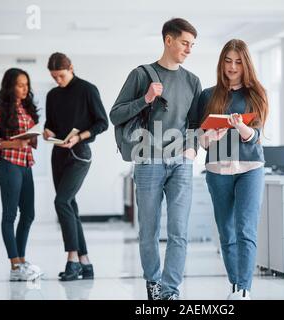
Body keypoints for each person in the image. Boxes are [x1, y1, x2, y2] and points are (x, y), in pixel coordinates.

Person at [110, 18, 202, 300]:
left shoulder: (192, 81)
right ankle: (153, 283)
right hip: (148, 160)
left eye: (192, 45)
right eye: (185, 43)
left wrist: (192, 149)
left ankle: (170, 290)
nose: (189, 49)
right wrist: (146, 99)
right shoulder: (141, 75)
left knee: (178, 231)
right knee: (148, 230)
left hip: (181, 163)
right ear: (169, 40)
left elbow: (196, 124)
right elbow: (115, 115)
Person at [197, 39, 269, 300]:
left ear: (245, 63)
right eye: (228, 60)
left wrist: (240, 127)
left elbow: (256, 135)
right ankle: (235, 283)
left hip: (250, 167)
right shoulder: (208, 95)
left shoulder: (256, 94)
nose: (232, 66)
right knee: (226, 231)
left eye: (238, 61)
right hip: (217, 168)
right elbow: (200, 138)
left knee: (245, 229)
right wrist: (209, 137)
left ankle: (243, 290)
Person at [43, 52, 108, 281]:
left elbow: (102, 123)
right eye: (54, 76)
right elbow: (50, 124)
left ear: (71, 67)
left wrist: (80, 137)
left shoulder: (87, 90)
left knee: (61, 202)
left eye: (60, 75)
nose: (57, 81)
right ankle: (85, 263)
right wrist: (47, 131)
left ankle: (72, 259)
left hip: (79, 154)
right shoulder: (52, 95)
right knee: (70, 205)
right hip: (58, 154)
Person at [0, 68, 42, 281]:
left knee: (29, 214)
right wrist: (13, 142)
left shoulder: (26, 109)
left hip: (26, 164)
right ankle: (15, 265)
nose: (25, 88)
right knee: (10, 215)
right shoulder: (0, 109)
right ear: (10, 86)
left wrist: (37, 135)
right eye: (20, 85)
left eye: (27, 84)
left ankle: (21, 260)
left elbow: (28, 140)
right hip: (9, 165)